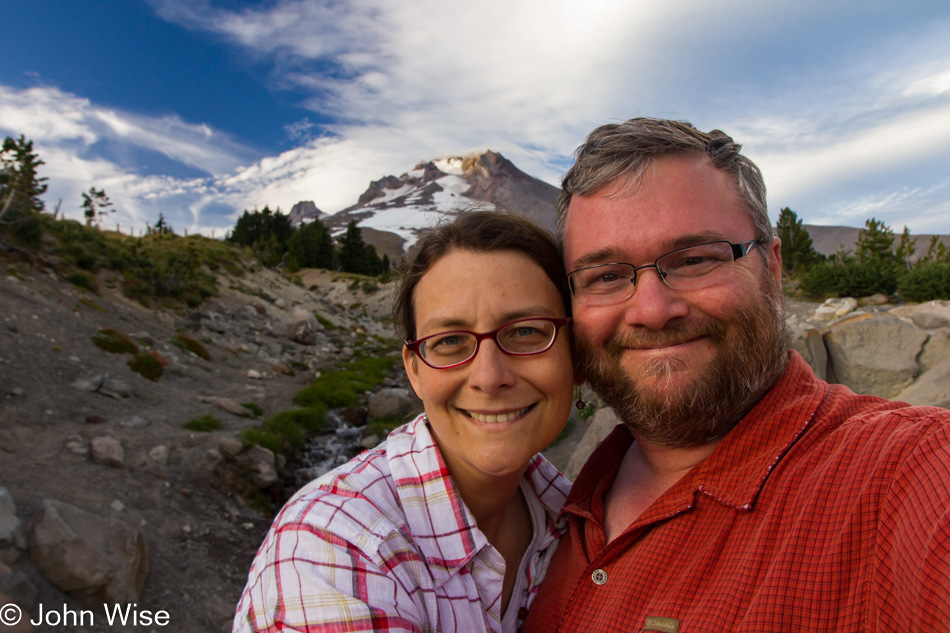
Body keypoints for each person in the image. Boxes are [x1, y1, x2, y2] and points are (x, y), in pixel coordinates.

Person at [522, 117, 950, 632]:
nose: (653, 310)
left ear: (771, 267)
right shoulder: (537, 514)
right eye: (607, 277)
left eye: (695, 260)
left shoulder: (907, 476)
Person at [233, 211, 580, 633]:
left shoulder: (573, 514)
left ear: (575, 354)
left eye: (526, 331)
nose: (489, 377)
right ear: (414, 369)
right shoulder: (332, 544)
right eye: (450, 341)